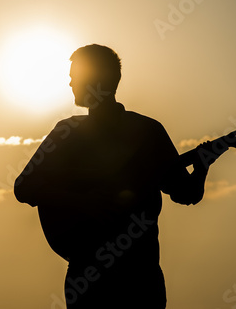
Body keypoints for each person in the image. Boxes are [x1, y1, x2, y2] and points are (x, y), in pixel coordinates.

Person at [14, 44, 215, 308]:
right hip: (96, 275)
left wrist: (202, 164)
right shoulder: (69, 133)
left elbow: (184, 193)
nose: (70, 82)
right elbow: (24, 187)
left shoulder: (144, 131)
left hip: (137, 277)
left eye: (76, 76)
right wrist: (81, 202)